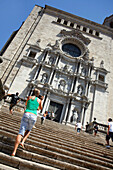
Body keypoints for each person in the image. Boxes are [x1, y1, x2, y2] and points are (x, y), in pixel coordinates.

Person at [11, 88, 42, 156]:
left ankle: (14, 151)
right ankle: (23, 141)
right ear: (38, 94)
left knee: (20, 132)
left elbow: (26, 104)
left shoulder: (29, 97)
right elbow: (40, 108)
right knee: (28, 130)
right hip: (33, 116)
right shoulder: (39, 100)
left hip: (26, 114)